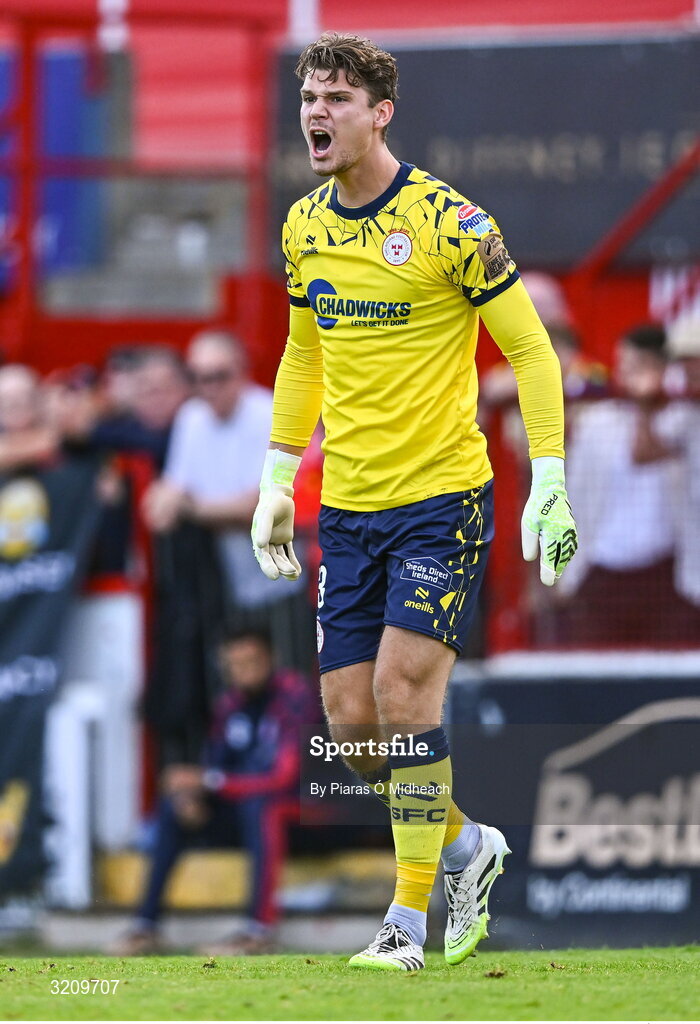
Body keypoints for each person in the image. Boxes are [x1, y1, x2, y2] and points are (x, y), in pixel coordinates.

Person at [250, 33, 578, 972]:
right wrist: (279, 476)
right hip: (346, 508)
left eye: (338, 98)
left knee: (403, 696)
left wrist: (547, 481)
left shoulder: (452, 225)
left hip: (441, 500)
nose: (317, 112)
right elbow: (304, 355)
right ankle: (467, 844)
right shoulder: (304, 226)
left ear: (381, 112)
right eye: (310, 96)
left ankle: (405, 923)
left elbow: (532, 353)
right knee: (352, 730)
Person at [115, 626, 315, 956]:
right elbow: (214, 767)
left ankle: (258, 931)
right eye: (235, 664)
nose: (244, 671)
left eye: (252, 661)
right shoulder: (229, 705)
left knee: (263, 806)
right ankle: (145, 925)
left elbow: (283, 779)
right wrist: (192, 796)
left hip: (306, 814)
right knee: (174, 805)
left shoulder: (295, 698)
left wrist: (209, 782)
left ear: (272, 659)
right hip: (247, 813)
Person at [560, 323, 699, 643]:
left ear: (662, 369)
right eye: (621, 366)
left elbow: (644, 452)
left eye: (636, 367)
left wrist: (646, 406)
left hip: (666, 575)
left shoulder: (680, 417)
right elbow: (571, 494)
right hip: (600, 573)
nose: (625, 375)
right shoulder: (595, 421)